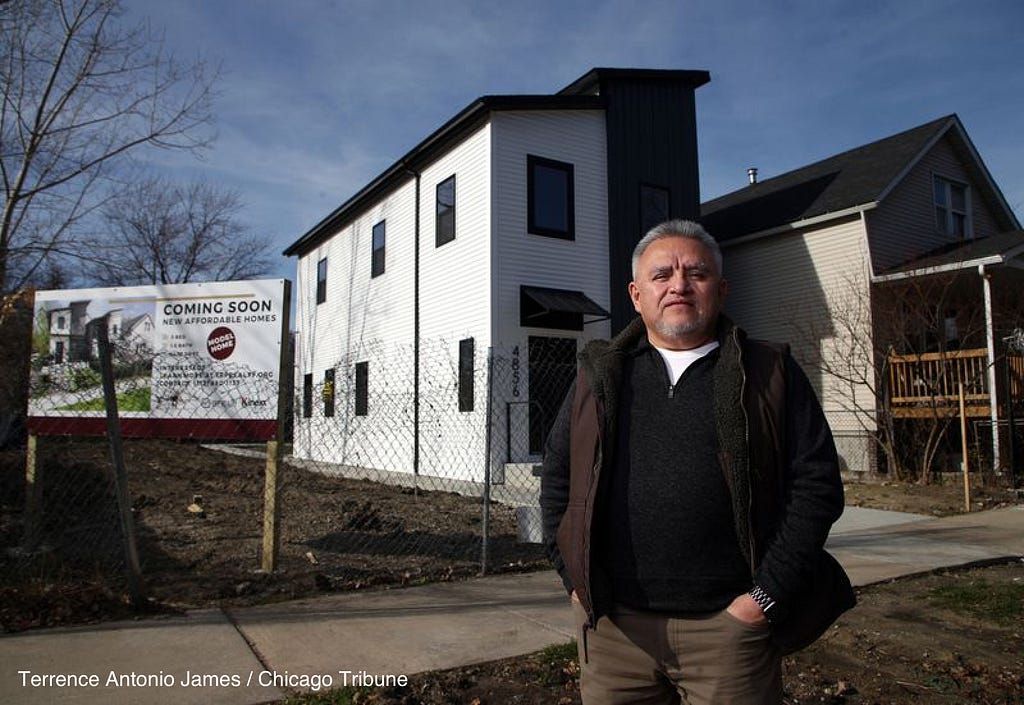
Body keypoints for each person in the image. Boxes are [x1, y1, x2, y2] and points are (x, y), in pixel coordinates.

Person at [539, 219, 850, 705]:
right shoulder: (598, 377)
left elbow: (817, 490)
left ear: (721, 290)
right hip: (614, 634)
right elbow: (558, 484)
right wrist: (572, 579)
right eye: (662, 275)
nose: (679, 284)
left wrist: (763, 600)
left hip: (728, 634)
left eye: (696, 273)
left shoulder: (769, 372)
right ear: (637, 294)